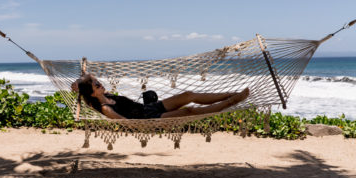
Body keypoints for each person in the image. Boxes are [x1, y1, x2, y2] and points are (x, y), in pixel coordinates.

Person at [73, 74, 249, 120]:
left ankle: (231, 94)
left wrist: (84, 81)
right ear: (92, 93)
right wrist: (150, 125)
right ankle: (232, 101)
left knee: (188, 95)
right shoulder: (105, 108)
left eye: (98, 81)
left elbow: (84, 79)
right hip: (149, 118)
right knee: (190, 111)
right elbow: (128, 124)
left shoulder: (109, 95)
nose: (100, 84)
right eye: (96, 85)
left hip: (149, 108)